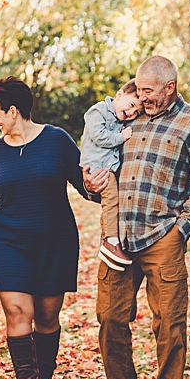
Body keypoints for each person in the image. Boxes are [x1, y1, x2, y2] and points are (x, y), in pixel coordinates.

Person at [83, 55, 190, 379]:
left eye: (147, 91)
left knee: (170, 324)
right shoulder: (125, 117)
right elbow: (101, 164)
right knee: (110, 316)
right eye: (137, 90)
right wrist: (94, 188)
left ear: (169, 88)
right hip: (119, 236)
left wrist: (180, 231)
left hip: (163, 238)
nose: (140, 97)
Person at [0, 76, 89, 379]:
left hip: (54, 241)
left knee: (46, 317)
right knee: (16, 312)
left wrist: (102, 184)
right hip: (10, 241)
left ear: (14, 111)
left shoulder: (57, 140)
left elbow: (86, 186)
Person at [79, 80, 142, 271]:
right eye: (131, 106)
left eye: (136, 112)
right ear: (120, 93)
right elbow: (99, 135)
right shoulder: (98, 111)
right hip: (98, 166)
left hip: (107, 166)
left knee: (111, 201)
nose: (131, 113)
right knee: (111, 200)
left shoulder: (117, 119)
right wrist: (121, 137)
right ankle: (110, 242)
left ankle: (111, 240)